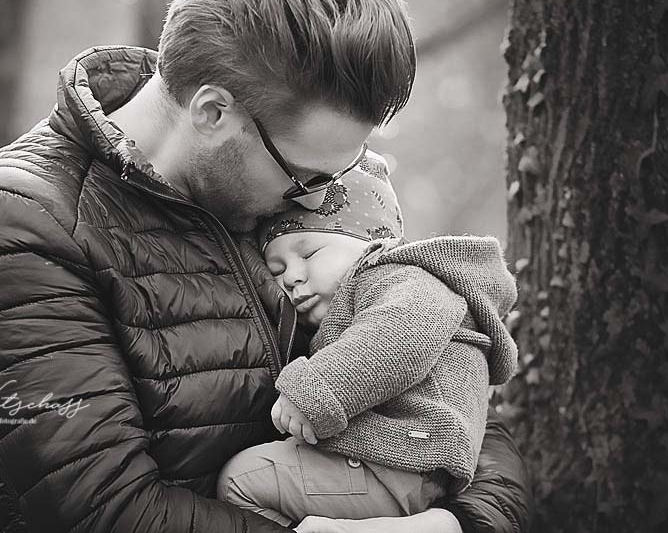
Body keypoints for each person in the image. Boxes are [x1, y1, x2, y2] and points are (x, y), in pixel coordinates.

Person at [0, 0, 531, 533]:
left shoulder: (293, 188)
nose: (320, 195)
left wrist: (451, 526)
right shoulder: (22, 222)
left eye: (338, 173)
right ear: (214, 113)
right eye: (303, 175)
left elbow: (455, 384)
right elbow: (102, 513)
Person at [216, 153, 519, 528]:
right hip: (405, 461)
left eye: (309, 253)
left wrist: (313, 390)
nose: (292, 276)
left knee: (242, 481)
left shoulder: (403, 277)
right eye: (276, 270)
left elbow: (401, 338)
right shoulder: (373, 290)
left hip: (403, 460)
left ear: (372, 244)